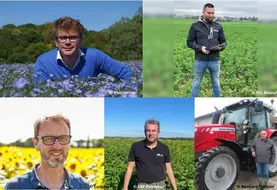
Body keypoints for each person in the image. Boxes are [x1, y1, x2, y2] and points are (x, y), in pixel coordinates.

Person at [33, 16, 133, 82]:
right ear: (56, 41)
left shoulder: (95, 56)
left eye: (73, 37)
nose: (67, 42)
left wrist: (120, 92)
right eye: (62, 38)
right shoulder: (43, 62)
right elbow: (38, 91)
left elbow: (126, 74)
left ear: (81, 40)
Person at [4, 114, 90, 189]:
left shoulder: (82, 186)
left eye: (63, 138)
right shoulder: (15, 186)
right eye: (49, 139)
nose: (57, 146)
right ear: (36, 143)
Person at [123, 119, 177, 190]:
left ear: (158, 132)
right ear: (144, 132)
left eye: (154, 130)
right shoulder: (136, 146)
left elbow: (169, 169)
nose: (151, 133)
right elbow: (130, 168)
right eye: (148, 130)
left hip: (160, 186)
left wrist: (175, 188)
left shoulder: (164, 148)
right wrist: (125, 187)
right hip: (142, 185)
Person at [187, 3, 227, 97]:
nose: (211, 15)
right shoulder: (195, 26)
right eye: (209, 13)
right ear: (203, 12)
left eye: (213, 13)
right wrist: (200, 48)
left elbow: (224, 42)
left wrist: (221, 47)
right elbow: (189, 42)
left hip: (215, 61)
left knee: (216, 83)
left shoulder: (218, 26)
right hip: (200, 60)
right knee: (196, 84)